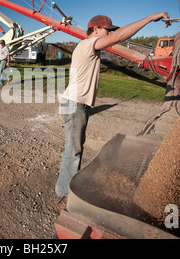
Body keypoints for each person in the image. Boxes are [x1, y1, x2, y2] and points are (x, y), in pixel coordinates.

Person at [55, 12, 171, 197]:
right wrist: (149, 18)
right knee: (74, 149)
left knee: (75, 147)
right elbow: (118, 37)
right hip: (75, 104)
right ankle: (65, 192)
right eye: (107, 30)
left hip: (76, 103)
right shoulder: (88, 44)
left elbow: (115, 39)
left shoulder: (88, 46)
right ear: (95, 29)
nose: (110, 34)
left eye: (111, 31)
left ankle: (65, 188)